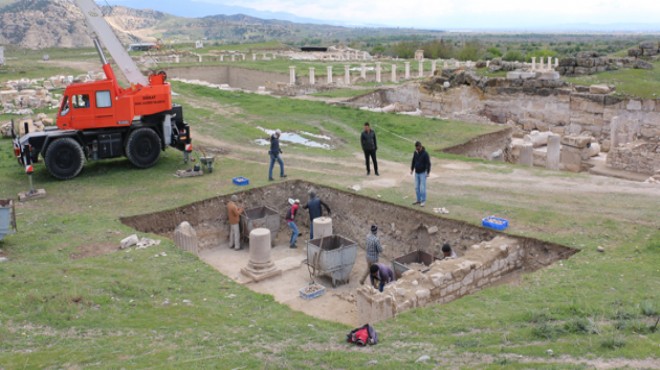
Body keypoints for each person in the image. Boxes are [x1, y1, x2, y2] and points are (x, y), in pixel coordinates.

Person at [410, 141, 431, 207]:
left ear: (420, 146)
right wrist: (412, 169)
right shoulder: (415, 153)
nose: (417, 149)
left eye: (417, 148)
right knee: (416, 187)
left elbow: (428, 163)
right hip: (416, 173)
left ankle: (423, 201)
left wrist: (428, 172)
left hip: (422, 173)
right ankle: (418, 200)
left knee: (422, 188)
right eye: (416, 148)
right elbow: (413, 161)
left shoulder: (425, 154)